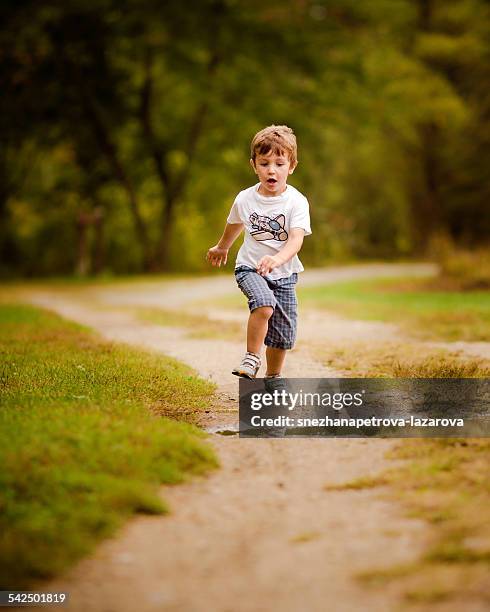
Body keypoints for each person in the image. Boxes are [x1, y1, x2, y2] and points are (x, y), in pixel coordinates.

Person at [206, 125, 311, 380]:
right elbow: (235, 223)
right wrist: (223, 246)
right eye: (264, 163)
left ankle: (273, 378)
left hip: (284, 273)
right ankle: (251, 358)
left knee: (283, 334)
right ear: (254, 165)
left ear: (292, 166)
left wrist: (277, 259)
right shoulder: (245, 198)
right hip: (250, 268)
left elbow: (296, 240)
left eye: (279, 163)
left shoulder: (296, 201)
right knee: (263, 305)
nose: (271, 169)